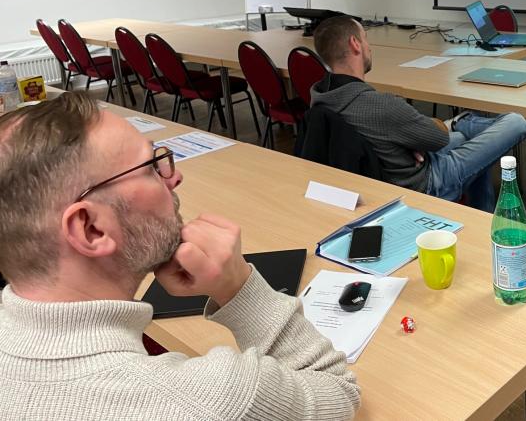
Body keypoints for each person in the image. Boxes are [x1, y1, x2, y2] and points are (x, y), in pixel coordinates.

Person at [0, 93, 361, 420]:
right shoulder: (207, 399)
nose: (174, 177)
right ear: (91, 229)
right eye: (150, 167)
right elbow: (337, 392)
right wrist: (239, 286)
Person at [310, 15, 526, 212]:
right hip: (427, 184)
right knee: (516, 122)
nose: (370, 47)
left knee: (463, 138)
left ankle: (481, 211)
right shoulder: (381, 106)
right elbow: (438, 138)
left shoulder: (321, 97)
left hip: (392, 174)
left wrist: (410, 140)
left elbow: (391, 132)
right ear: (355, 44)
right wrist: (422, 132)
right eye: (365, 39)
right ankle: (459, 122)